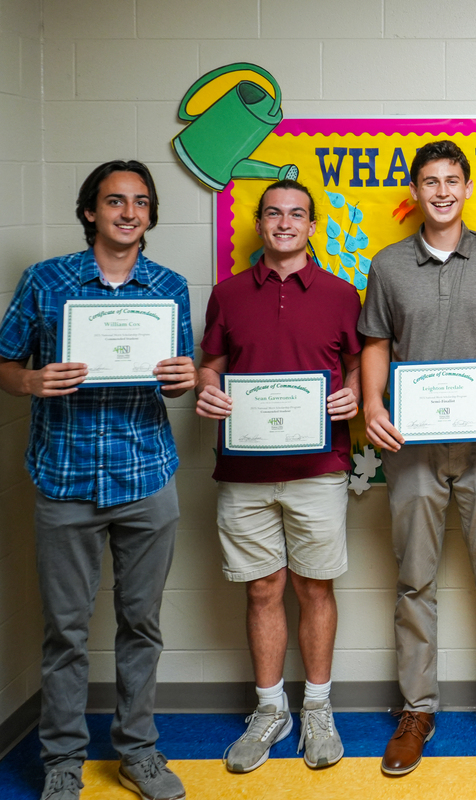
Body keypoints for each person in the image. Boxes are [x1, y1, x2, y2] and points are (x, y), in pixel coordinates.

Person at [0, 161, 196, 800]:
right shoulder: (44, 281)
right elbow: (5, 360)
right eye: (115, 201)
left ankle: (138, 752)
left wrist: (182, 378)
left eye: (140, 202)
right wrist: (28, 380)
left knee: (142, 624)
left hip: (146, 476)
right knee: (66, 630)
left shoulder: (168, 286)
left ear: (150, 214)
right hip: (66, 479)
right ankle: (62, 760)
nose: (128, 212)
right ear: (91, 211)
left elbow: (181, 369)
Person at [358, 140, 476, 778]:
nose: (441, 191)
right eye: (429, 181)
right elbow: (375, 342)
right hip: (411, 449)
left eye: (451, 180)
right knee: (414, 582)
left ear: (466, 188)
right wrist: (374, 405)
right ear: (416, 190)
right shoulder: (387, 265)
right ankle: (416, 710)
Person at [194, 179, 363, 773]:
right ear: (260, 223)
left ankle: (317, 706)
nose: (285, 223)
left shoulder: (344, 295)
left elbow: (358, 365)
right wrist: (208, 390)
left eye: (297, 214)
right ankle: (271, 710)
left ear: (312, 226)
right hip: (244, 472)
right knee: (262, 588)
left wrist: (355, 394)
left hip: (319, 469)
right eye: (274, 213)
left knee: (314, 588)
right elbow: (210, 365)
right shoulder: (227, 293)